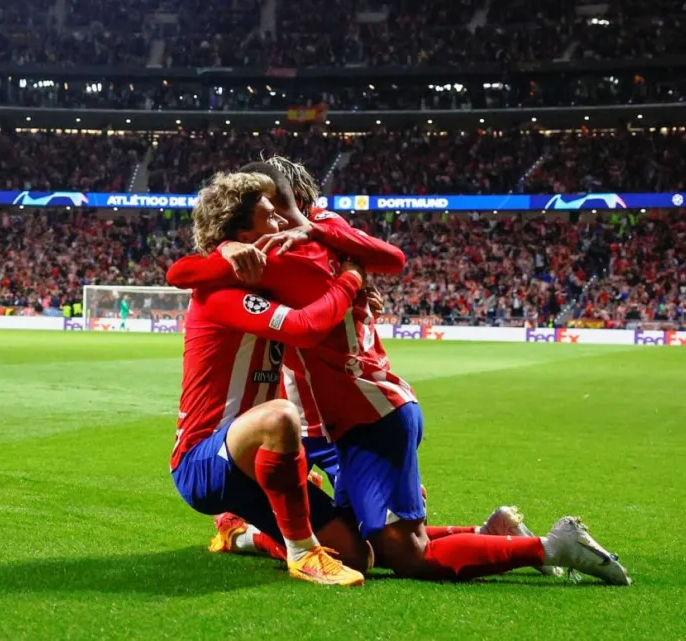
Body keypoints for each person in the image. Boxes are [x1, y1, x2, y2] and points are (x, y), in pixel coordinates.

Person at [169, 161, 630, 585]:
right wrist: (231, 247)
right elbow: (186, 271)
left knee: (405, 553)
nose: (277, 222)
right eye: (267, 213)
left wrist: (348, 279)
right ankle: (491, 533)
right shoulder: (314, 244)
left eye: (279, 209)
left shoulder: (303, 252)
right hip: (337, 422)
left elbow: (298, 312)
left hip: (365, 415)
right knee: (365, 547)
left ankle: (547, 548)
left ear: (294, 206)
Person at [171, 171, 370, 587]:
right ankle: (302, 553)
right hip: (205, 460)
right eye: (270, 217)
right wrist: (351, 280)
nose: (282, 223)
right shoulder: (220, 292)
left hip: (254, 461)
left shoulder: (270, 282)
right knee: (280, 416)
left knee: (356, 552)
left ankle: (241, 534)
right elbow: (304, 328)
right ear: (243, 230)